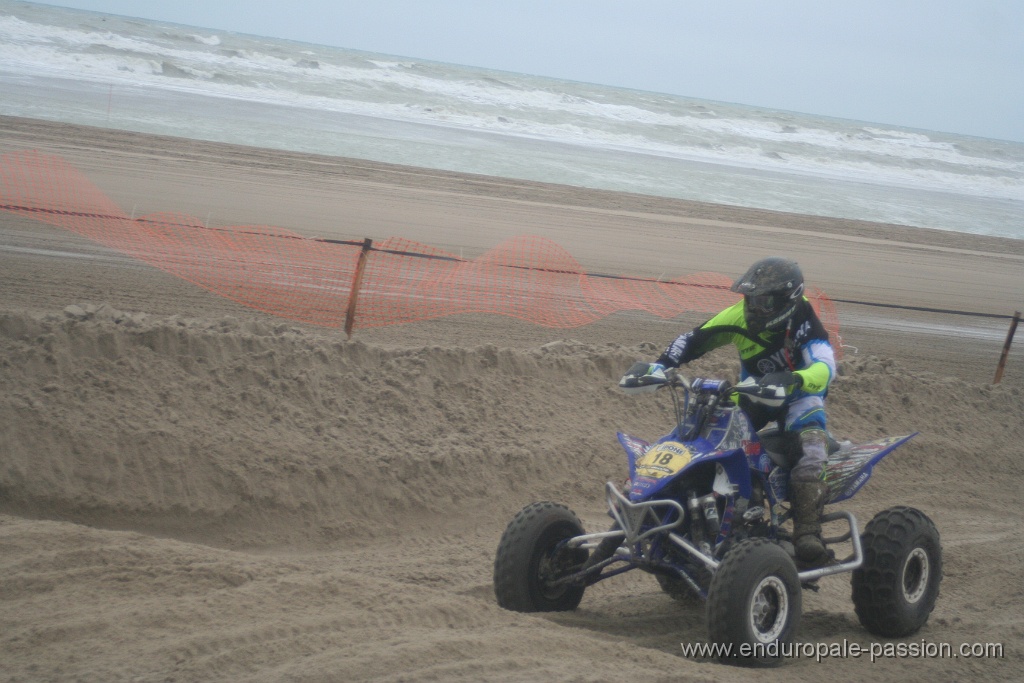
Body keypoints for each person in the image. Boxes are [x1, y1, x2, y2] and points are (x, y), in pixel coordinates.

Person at [636, 256, 836, 565]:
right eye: (750, 298)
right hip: (756, 393)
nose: (753, 307)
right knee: (715, 437)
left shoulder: (805, 321)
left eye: (764, 300)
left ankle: (808, 533)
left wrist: (797, 378)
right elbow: (691, 339)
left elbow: (826, 368)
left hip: (800, 395)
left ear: (787, 300)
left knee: (810, 449)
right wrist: (660, 366)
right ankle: (713, 514)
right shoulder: (737, 318)